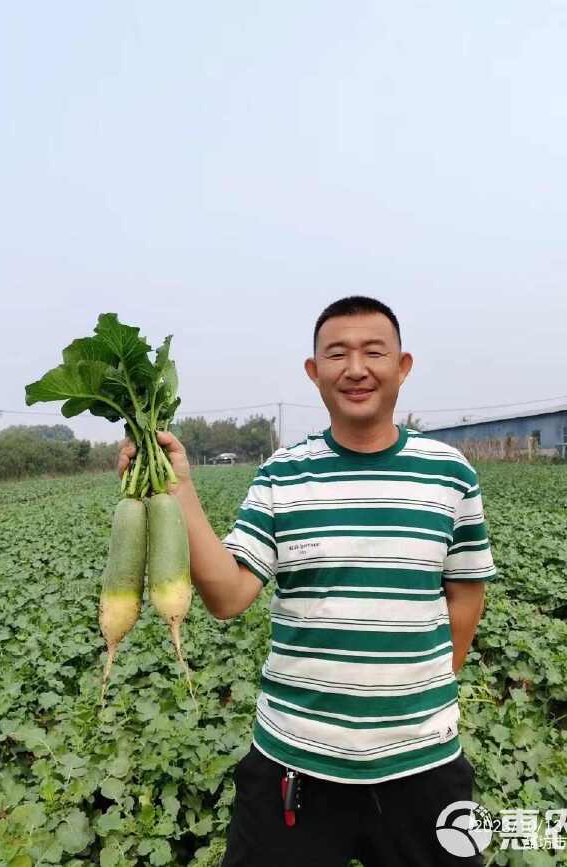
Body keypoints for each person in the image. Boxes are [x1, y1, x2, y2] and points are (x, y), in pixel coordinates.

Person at [118, 296, 497, 867]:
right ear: (313, 372)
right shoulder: (282, 473)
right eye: (337, 354)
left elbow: (465, 589)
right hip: (293, 763)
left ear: (404, 365)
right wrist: (179, 491)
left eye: (375, 352)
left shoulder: (449, 472)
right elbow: (228, 594)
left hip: (425, 766)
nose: (356, 368)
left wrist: (432, 684)